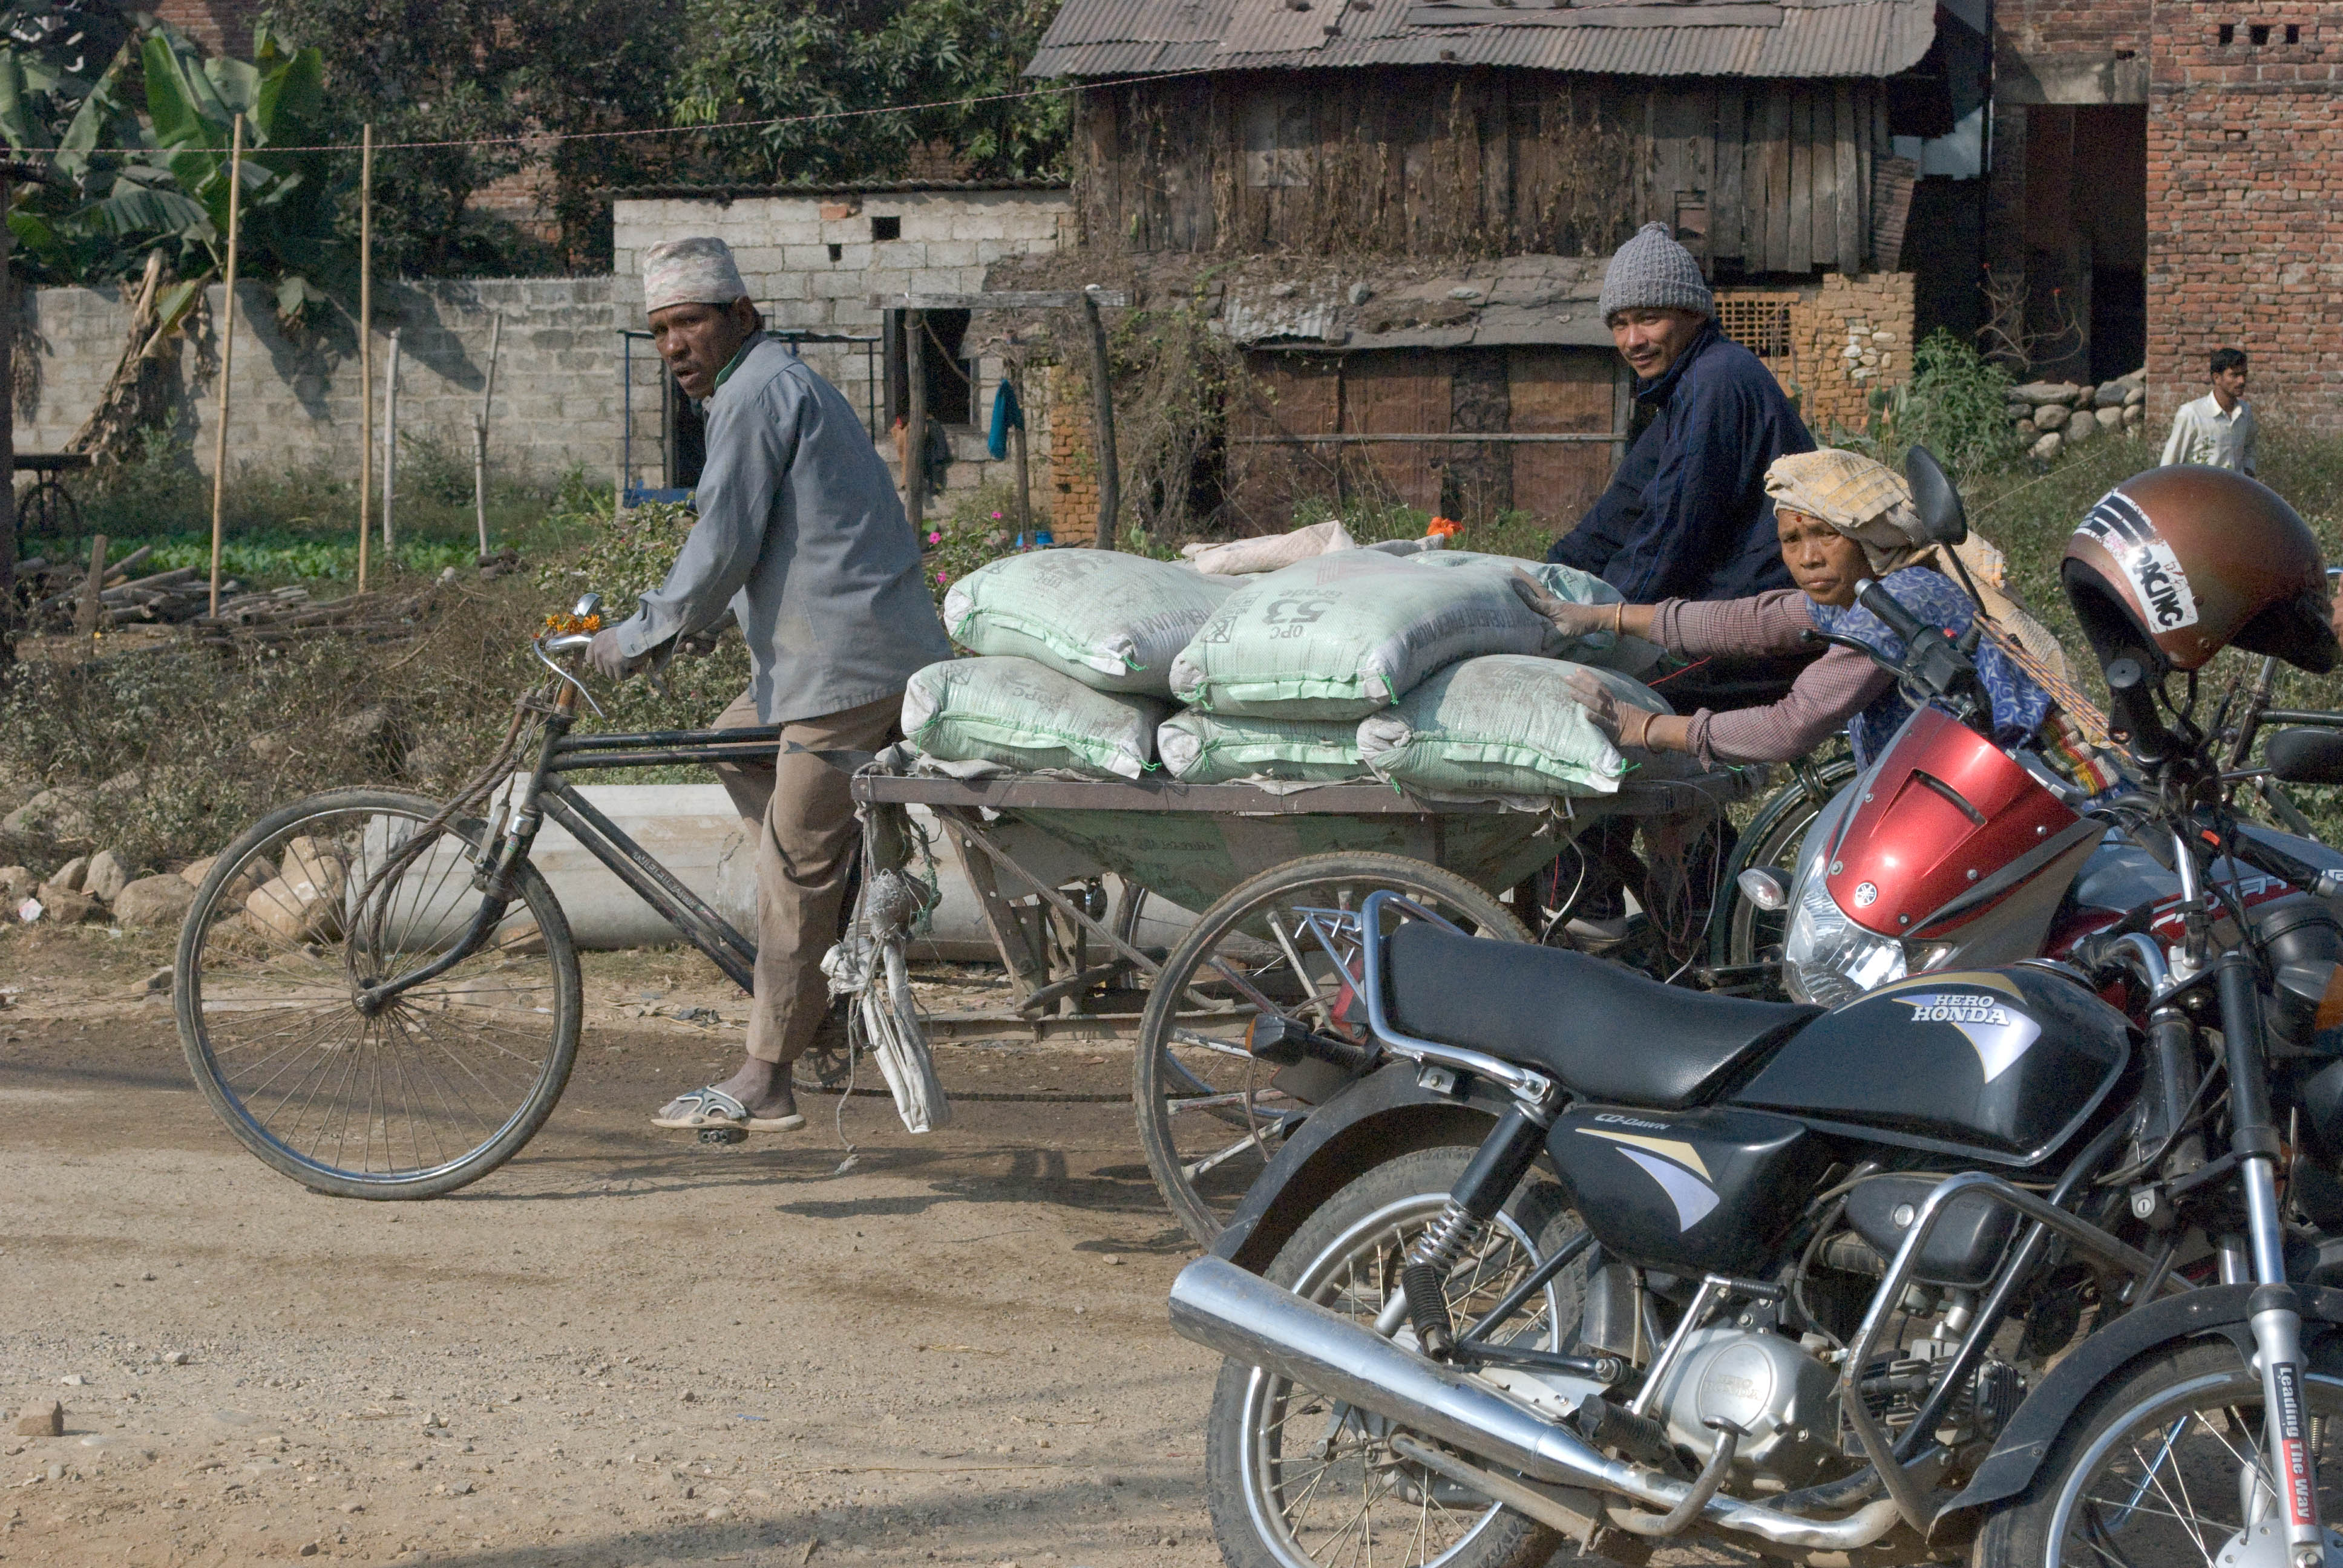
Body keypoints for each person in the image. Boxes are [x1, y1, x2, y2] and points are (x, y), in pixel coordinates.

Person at [586, 237, 953, 1135]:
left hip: (848, 668)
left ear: (739, 318)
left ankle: (769, 1076)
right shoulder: (770, 387)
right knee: (728, 739)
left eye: (689, 323)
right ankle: (847, 905)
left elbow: (721, 543)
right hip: (833, 653)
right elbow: (769, 539)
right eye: (660, 329)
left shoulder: (755, 394)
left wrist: (637, 639)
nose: (675, 345)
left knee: (792, 864)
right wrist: (706, 625)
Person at [1516, 448, 2103, 784]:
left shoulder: (1902, 598)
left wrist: (1644, 729)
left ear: (1865, 537)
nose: (1806, 558)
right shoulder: (1871, 588)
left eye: (1824, 534)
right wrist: (1601, 618)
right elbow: (1752, 621)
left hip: (2030, 788)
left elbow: (1792, 724)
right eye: (1791, 539)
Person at [1547, 220, 1818, 711]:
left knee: (1599, 703)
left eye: (1649, 319)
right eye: (1620, 324)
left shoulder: (1716, 382)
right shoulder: (1687, 387)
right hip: (1727, 607)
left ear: (1693, 313)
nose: (1633, 340)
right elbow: (1619, 513)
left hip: (1761, 623)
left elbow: (1671, 533)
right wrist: (1541, 578)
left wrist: (1604, 624)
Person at [2160, 347, 2256, 475]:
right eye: (2234, 375)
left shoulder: (2245, 411)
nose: (2242, 381)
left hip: (2236, 491)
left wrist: (2248, 472)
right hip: (2201, 492)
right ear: (2217, 378)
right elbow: (2169, 464)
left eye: (2244, 374)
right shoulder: (2192, 414)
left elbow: (2250, 447)